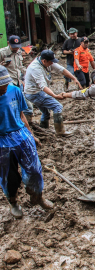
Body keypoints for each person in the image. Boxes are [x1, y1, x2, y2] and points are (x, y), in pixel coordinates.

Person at [0, 66, 53, 219]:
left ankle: (37, 196)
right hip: (2, 141)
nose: (4, 88)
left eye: (5, 85)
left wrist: (31, 135)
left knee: (35, 170)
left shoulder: (14, 90)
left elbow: (21, 115)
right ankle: (13, 201)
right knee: (9, 176)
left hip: (21, 135)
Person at [24, 50, 82, 136]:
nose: (52, 64)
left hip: (36, 91)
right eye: (51, 62)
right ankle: (60, 132)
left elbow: (62, 70)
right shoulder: (35, 68)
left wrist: (74, 78)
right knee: (57, 107)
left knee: (46, 112)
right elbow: (43, 87)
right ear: (44, 61)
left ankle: (43, 127)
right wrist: (54, 95)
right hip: (34, 93)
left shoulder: (47, 61)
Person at [0, 35, 33, 122]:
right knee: (11, 104)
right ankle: (13, 121)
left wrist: (28, 74)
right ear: (8, 44)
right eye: (13, 47)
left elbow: (20, 67)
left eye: (17, 47)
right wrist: (2, 65)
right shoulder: (2, 52)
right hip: (8, 82)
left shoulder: (19, 52)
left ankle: (28, 123)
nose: (15, 49)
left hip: (18, 80)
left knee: (26, 104)